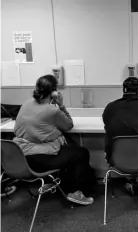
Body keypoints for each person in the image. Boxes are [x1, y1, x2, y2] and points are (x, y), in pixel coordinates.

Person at [13, 74, 95, 205]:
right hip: (39, 160)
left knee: (69, 149)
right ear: (54, 92)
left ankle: (53, 182)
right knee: (81, 153)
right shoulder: (52, 111)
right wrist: (61, 105)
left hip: (20, 156)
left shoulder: (26, 104)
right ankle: (75, 191)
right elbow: (68, 125)